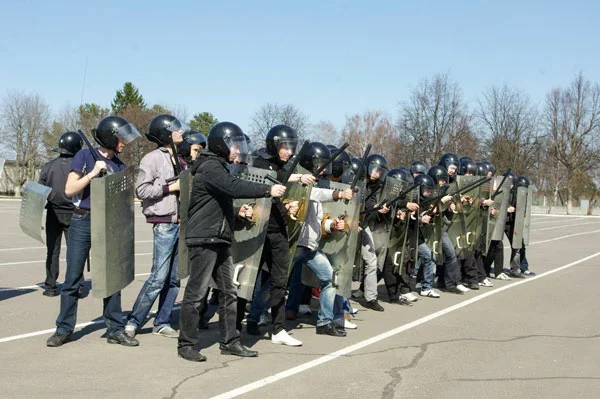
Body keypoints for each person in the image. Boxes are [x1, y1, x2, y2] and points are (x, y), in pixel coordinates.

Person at [177, 122, 287, 362]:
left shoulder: (219, 167)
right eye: (234, 146)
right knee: (196, 294)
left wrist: (237, 215)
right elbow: (233, 187)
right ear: (221, 144)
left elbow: (218, 202)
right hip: (204, 239)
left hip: (219, 237)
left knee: (230, 293)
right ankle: (186, 344)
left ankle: (230, 341)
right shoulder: (210, 167)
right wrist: (268, 190)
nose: (237, 151)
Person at [46, 116, 142, 348]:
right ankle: (64, 328)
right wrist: (92, 174)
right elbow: (69, 189)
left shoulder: (118, 165)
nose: (124, 143)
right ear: (110, 137)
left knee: (112, 278)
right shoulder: (84, 156)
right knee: (73, 278)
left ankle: (115, 329)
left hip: (108, 223)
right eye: (121, 139)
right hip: (82, 221)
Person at [243, 125, 316, 346]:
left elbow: (281, 184)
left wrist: (289, 203)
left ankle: (277, 329)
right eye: (285, 146)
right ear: (274, 145)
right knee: (247, 280)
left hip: (277, 232)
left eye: (292, 147)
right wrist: (296, 180)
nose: (289, 151)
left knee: (278, 281)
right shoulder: (260, 162)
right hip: (256, 230)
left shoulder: (285, 165)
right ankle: (242, 323)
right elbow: (273, 179)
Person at [125, 114, 189, 339]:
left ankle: (162, 321)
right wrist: (170, 188)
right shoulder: (151, 159)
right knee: (158, 277)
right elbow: (141, 191)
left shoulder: (182, 159)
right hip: (164, 223)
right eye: (176, 129)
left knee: (174, 279)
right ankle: (134, 320)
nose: (181, 132)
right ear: (165, 133)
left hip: (181, 224)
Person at [288, 142, 354, 336]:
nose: (321, 167)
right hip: (294, 245)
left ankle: (324, 322)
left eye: (323, 163)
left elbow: (318, 220)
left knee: (330, 278)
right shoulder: (297, 183)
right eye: (317, 163)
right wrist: (339, 193)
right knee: (275, 283)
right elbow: (315, 194)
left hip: (310, 247)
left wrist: (331, 225)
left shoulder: (313, 184)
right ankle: (256, 317)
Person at [39, 132, 83, 297]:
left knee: (52, 250)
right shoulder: (80, 167)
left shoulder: (48, 166)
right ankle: (76, 285)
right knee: (76, 251)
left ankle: (50, 286)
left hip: (53, 212)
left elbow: (40, 191)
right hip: (75, 213)